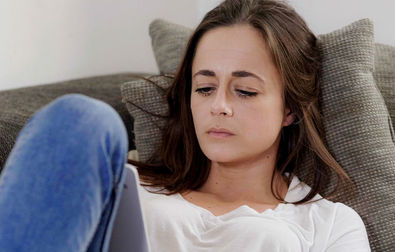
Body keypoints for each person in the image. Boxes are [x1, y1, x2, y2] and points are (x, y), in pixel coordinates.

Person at [0, 0, 370, 252]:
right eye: (205, 88)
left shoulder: (331, 225)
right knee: (83, 119)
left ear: (289, 108)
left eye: (244, 91)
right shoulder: (129, 184)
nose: (219, 106)